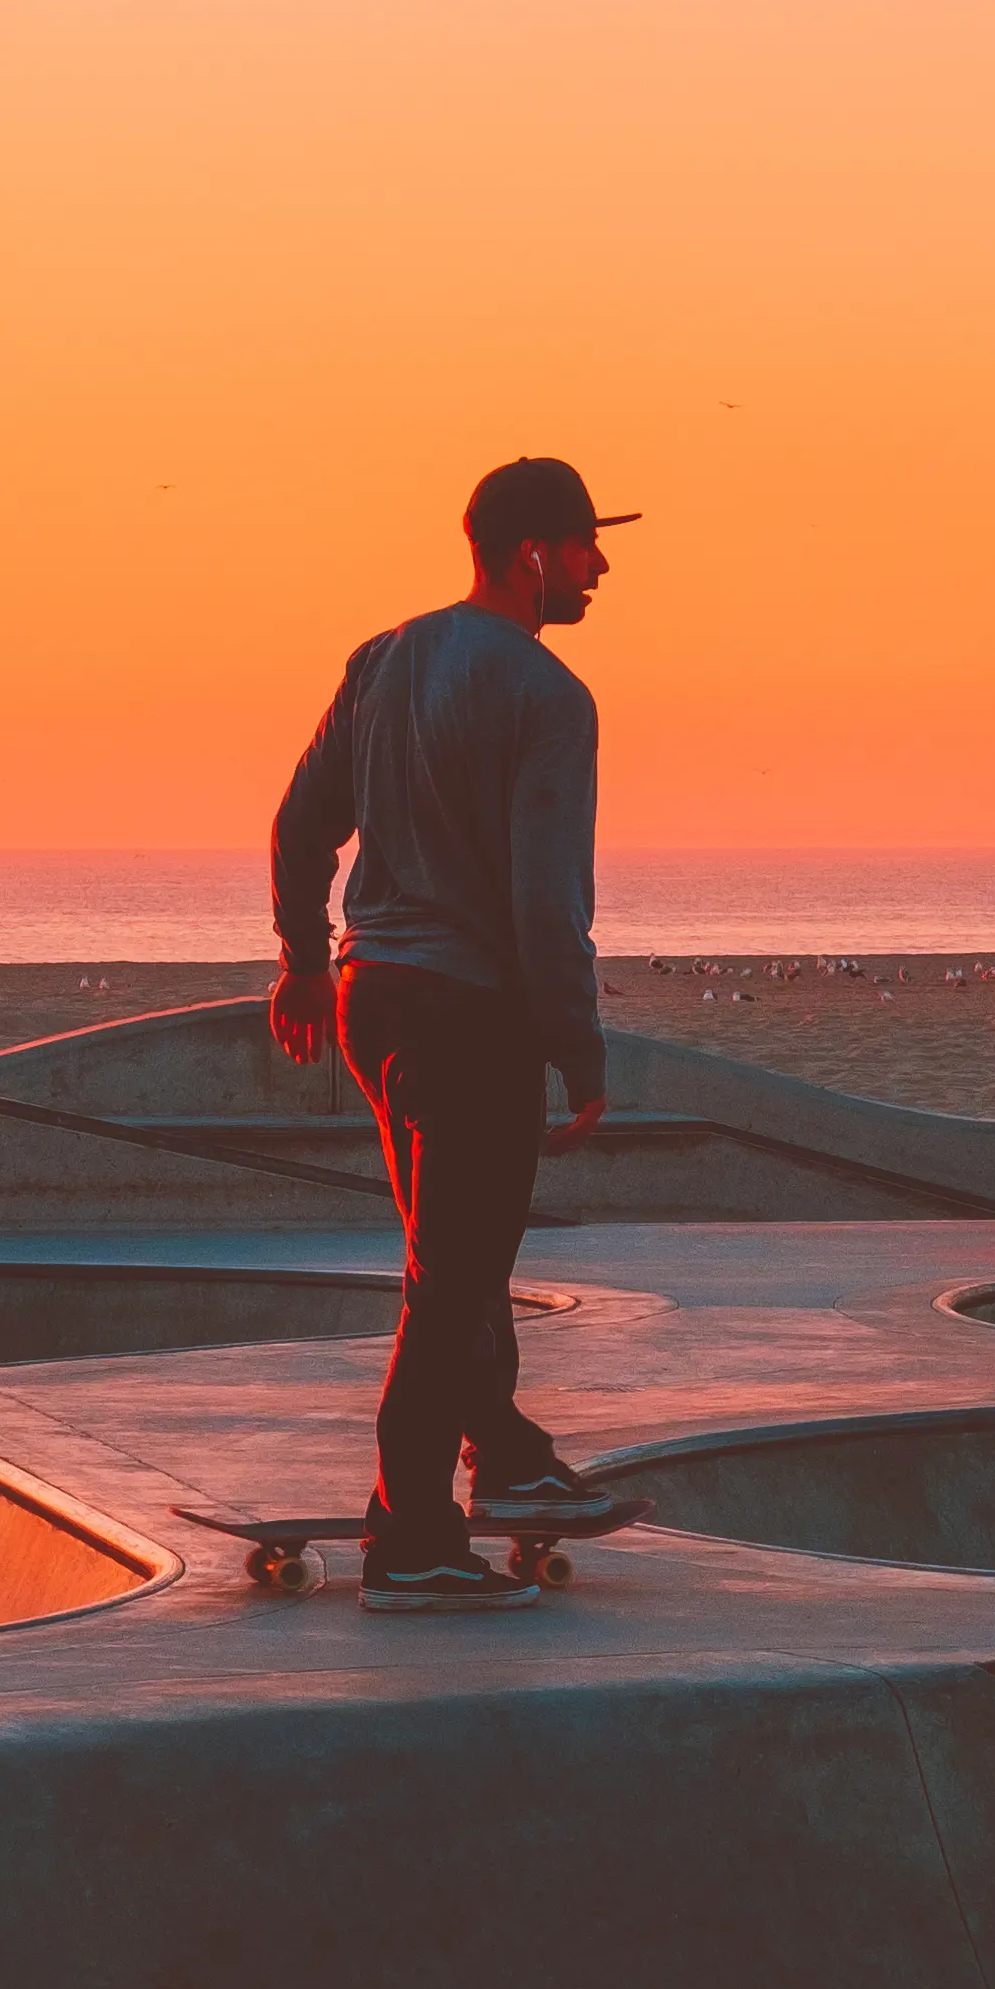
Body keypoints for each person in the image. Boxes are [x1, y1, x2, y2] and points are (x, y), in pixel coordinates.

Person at [270, 458, 635, 1614]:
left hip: (376, 998)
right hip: (468, 1012)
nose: (601, 565)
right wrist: (578, 1046)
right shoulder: (546, 695)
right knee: (454, 1280)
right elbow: (543, 899)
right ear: (532, 553)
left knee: (455, 1261)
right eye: (585, 544)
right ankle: (414, 1540)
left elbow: (299, 825)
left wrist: (303, 963)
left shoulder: (383, 660)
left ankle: (512, 1461)